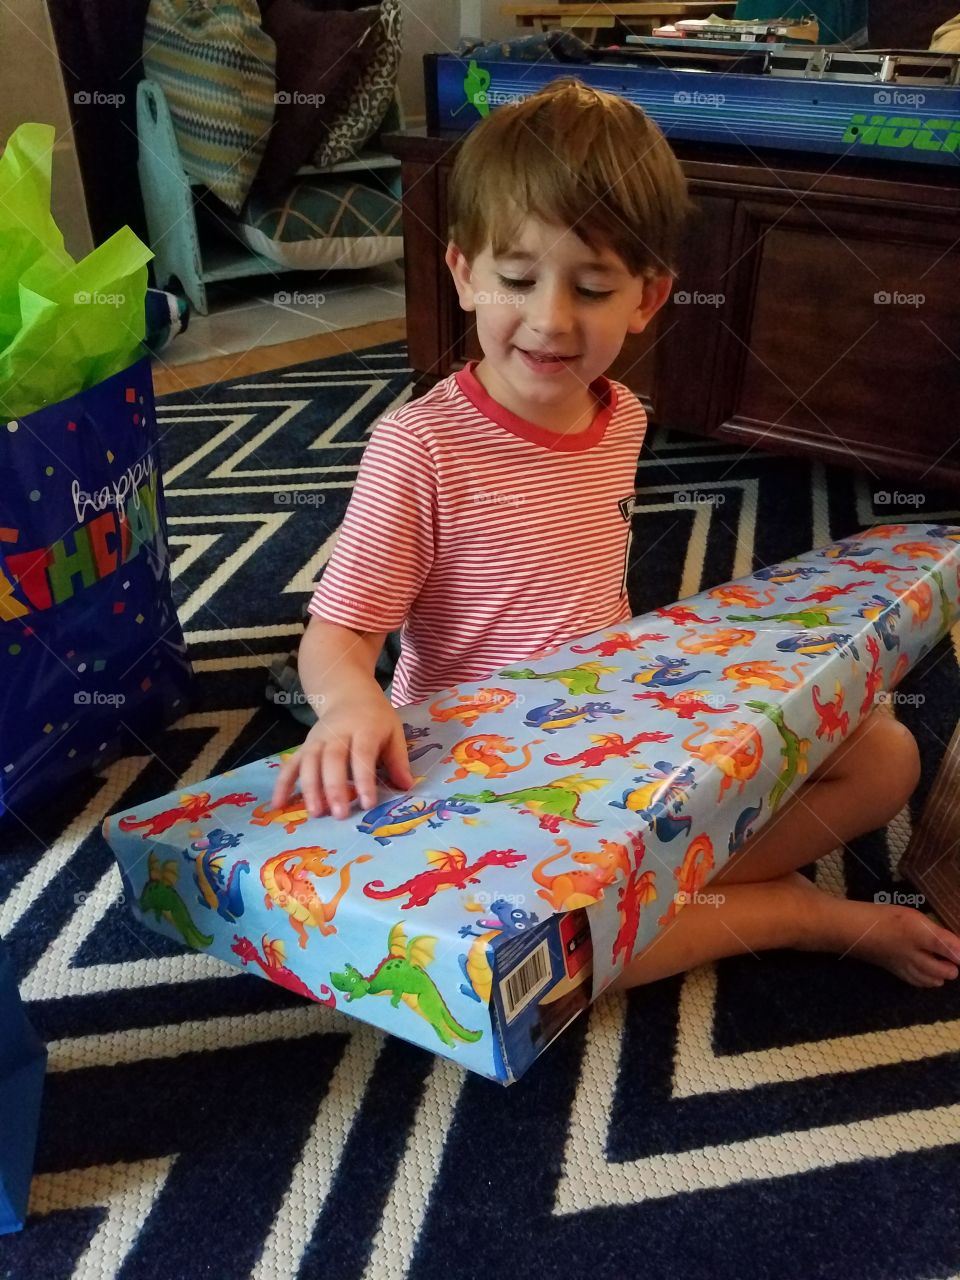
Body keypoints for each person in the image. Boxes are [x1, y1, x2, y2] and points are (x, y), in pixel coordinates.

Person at [272, 78, 960, 992]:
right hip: (484, 774)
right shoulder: (418, 447)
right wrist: (352, 705)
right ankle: (796, 914)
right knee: (543, 966)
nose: (552, 320)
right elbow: (340, 634)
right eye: (517, 279)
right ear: (463, 272)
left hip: (624, 722)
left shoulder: (623, 415)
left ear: (647, 298)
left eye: (592, 287)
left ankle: (664, 887)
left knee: (889, 756)